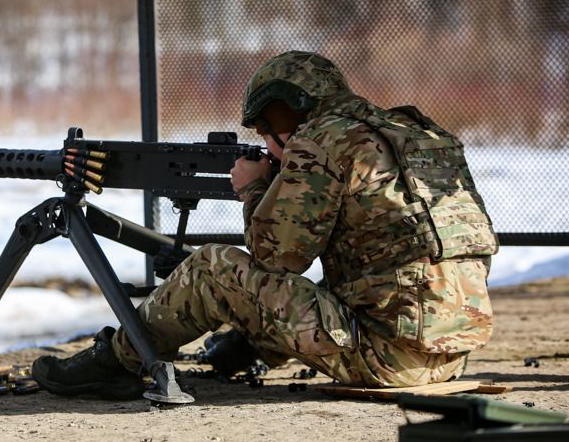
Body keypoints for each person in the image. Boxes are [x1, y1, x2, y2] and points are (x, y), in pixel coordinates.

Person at [32, 51, 498, 400]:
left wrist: (254, 188)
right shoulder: (415, 133)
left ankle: (116, 361)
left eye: (266, 131)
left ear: (287, 113)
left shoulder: (322, 139)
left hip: (385, 359)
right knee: (352, 277)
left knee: (213, 267)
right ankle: (248, 348)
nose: (268, 146)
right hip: (449, 356)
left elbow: (276, 258)